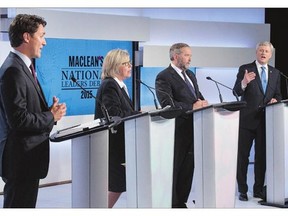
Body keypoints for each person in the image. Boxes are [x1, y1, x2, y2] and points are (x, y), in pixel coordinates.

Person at [0, 14, 67, 208]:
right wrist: (50, 116)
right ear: (27, 37)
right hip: (21, 161)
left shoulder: (22, 67)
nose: (44, 42)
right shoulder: (13, 70)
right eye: (42, 35)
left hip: (26, 160)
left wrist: (49, 112)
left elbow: (23, 110)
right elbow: (18, 119)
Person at [155, 43, 208, 208]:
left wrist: (203, 102)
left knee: (188, 168)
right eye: (186, 55)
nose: (190, 58)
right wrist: (191, 107)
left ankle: (181, 202)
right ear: (175, 56)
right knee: (176, 168)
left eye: (190, 55)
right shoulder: (164, 76)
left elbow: (197, 96)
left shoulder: (191, 75)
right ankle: (172, 203)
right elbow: (167, 104)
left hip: (194, 127)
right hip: (176, 130)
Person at [233, 41, 281, 202]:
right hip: (247, 120)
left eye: (266, 51)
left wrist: (275, 100)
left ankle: (258, 189)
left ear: (270, 54)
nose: (263, 53)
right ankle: (242, 190)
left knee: (261, 157)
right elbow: (236, 91)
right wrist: (244, 82)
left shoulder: (275, 73)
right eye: (261, 50)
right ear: (256, 52)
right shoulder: (245, 68)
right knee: (243, 157)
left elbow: (279, 95)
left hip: (266, 121)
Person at [94, 49, 140, 208]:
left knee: (119, 184)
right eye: (126, 63)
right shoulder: (110, 85)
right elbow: (113, 114)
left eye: (129, 63)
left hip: (121, 140)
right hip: (113, 142)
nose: (130, 66)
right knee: (117, 184)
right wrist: (136, 114)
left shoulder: (118, 85)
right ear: (115, 66)